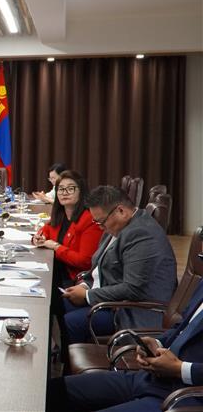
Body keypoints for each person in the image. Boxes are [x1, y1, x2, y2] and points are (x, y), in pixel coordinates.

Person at [48, 278, 203, 411]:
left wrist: (179, 369)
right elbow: (182, 326)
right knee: (52, 391)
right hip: (152, 378)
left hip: (186, 396)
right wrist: (157, 343)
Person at [60, 185, 177, 344]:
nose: (100, 227)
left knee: (71, 322)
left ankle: (68, 359)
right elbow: (101, 265)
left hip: (130, 310)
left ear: (121, 211)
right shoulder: (120, 226)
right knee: (59, 303)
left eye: (101, 222)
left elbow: (133, 288)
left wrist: (88, 296)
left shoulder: (141, 234)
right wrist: (85, 285)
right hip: (112, 299)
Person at [33, 170, 103, 286]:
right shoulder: (61, 215)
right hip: (55, 270)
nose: (64, 193)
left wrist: (56, 247)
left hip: (74, 280)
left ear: (81, 191)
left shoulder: (89, 219)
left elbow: (85, 262)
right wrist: (39, 238)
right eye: (61, 189)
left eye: (70, 189)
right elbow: (45, 230)